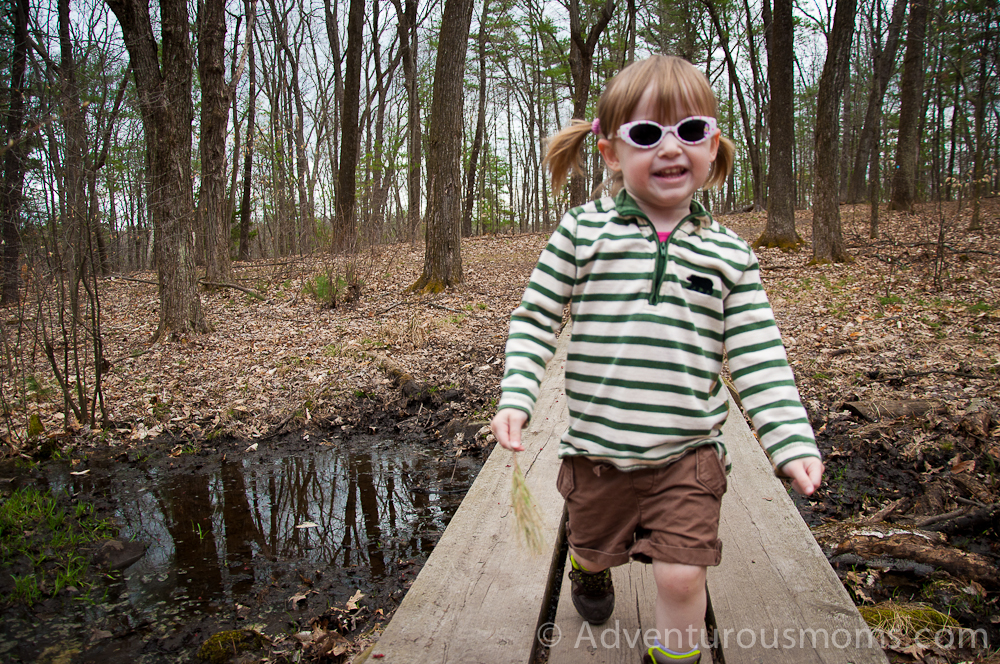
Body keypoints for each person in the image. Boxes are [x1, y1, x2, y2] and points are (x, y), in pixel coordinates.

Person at [490, 55, 823, 664]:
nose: (671, 148)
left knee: (680, 578)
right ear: (613, 152)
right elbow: (536, 319)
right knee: (591, 546)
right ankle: (588, 571)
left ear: (712, 143)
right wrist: (517, 395)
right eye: (647, 134)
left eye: (690, 131)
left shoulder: (729, 254)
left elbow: (758, 353)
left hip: (689, 456)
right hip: (598, 450)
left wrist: (791, 439)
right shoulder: (580, 234)